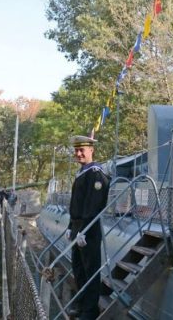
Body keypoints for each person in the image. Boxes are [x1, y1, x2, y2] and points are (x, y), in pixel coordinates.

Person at [66, 135, 110, 320]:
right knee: (78, 268)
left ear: (91, 150)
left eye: (82, 150)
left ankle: (90, 311)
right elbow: (76, 204)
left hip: (89, 229)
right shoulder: (82, 173)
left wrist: (84, 230)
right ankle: (82, 304)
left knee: (90, 270)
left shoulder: (95, 173)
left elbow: (93, 205)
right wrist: (71, 226)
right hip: (78, 227)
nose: (78, 154)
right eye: (76, 150)